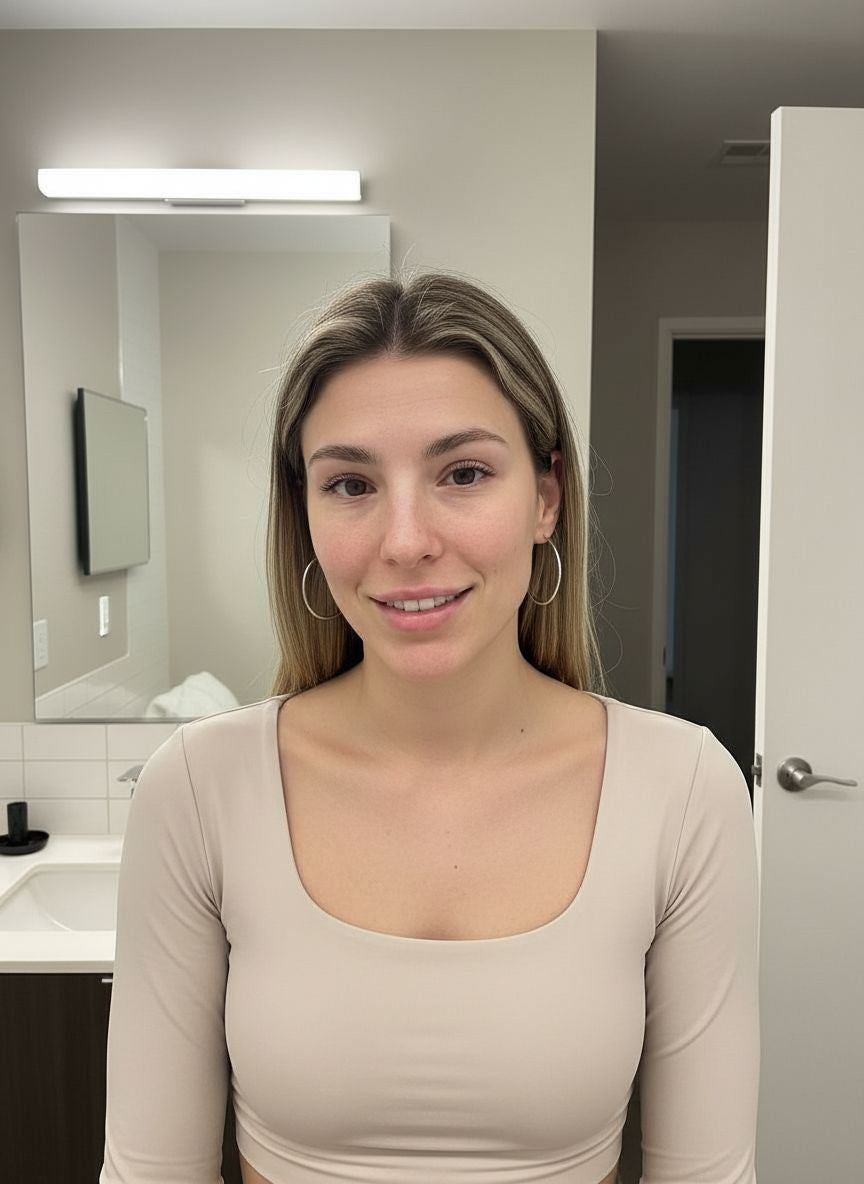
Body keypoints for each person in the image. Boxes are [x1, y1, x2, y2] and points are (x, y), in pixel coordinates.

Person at [100, 270, 760, 1184]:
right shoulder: (198, 789)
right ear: (304, 512)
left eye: (464, 473)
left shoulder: (684, 790)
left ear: (547, 497)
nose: (405, 540)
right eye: (351, 484)